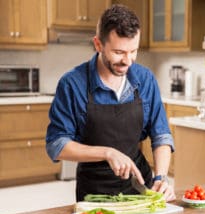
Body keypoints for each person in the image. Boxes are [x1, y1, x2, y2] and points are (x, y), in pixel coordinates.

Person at [46, 4, 176, 202]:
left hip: (140, 186)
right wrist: (107, 152)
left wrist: (161, 177)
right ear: (98, 45)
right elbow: (56, 144)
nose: (128, 60)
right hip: (94, 192)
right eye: (119, 52)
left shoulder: (145, 79)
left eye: (134, 51)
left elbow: (161, 135)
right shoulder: (72, 84)